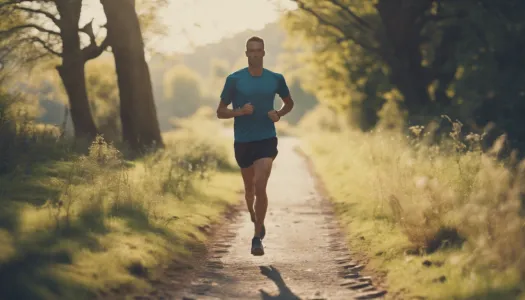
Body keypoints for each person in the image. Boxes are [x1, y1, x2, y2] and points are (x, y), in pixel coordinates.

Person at [216, 36, 294, 256]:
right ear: (246, 53)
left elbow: (289, 103)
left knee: (261, 184)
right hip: (243, 141)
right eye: (251, 50)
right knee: (249, 189)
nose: (255, 54)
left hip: (266, 139)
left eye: (258, 50)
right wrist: (240, 112)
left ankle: (256, 236)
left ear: (263, 53)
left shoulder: (275, 79)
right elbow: (220, 112)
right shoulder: (234, 80)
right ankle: (251, 210)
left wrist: (278, 114)